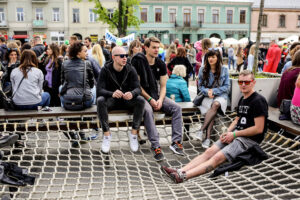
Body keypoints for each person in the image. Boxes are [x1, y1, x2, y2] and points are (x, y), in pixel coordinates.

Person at [162, 70, 268, 183]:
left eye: (246, 82)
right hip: (235, 135)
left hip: (248, 141)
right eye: (240, 82)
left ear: (253, 82)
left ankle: (183, 176)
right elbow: (237, 119)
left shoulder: (258, 101)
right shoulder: (243, 99)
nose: (243, 85)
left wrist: (234, 134)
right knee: (209, 151)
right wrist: (228, 131)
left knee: (217, 158)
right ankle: (180, 171)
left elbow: (258, 129)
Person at [131, 37, 184, 161]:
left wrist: (160, 100)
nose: (156, 50)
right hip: (141, 96)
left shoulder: (160, 63)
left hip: (156, 95)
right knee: (148, 111)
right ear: (146, 48)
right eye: (153, 47)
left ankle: (176, 142)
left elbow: (164, 86)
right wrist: (150, 100)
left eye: (158, 47)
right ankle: (156, 146)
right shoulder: (138, 62)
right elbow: (137, 86)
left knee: (177, 108)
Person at [96, 46, 145, 153]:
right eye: (122, 56)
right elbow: (99, 90)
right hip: (112, 101)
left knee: (140, 100)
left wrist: (132, 93)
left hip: (127, 100)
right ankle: (107, 135)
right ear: (114, 57)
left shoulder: (130, 68)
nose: (125, 58)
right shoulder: (105, 69)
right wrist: (112, 93)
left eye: (126, 56)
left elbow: (138, 89)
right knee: (100, 100)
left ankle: (133, 134)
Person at [196, 49, 230, 148]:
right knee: (212, 111)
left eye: (213, 57)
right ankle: (207, 139)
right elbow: (200, 86)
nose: (210, 59)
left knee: (215, 104)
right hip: (207, 96)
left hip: (221, 96)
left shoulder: (224, 69)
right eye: (209, 57)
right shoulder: (203, 69)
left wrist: (213, 91)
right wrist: (208, 92)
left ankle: (201, 130)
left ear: (218, 58)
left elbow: (227, 87)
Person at [60, 41, 95, 109]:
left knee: (60, 88)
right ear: (78, 53)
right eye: (85, 51)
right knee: (94, 89)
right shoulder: (87, 63)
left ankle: (64, 112)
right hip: (85, 101)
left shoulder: (65, 63)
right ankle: (91, 113)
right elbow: (92, 84)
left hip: (67, 101)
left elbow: (62, 82)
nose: (87, 53)